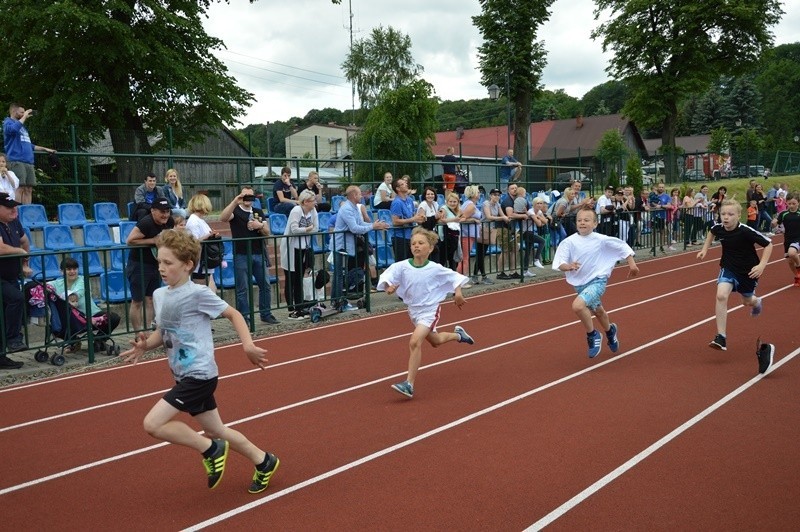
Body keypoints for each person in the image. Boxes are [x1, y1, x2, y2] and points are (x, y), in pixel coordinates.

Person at [120, 229, 280, 494]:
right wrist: (144, 346)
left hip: (200, 374)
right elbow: (164, 332)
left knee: (153, 424)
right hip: (183, 374)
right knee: (217, 430)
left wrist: (248, 346)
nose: (161, 268)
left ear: (188, 265)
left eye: (168, 263)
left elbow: (234, 314)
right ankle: (264, 461)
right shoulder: (160, 296)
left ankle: (210, 449)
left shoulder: (198, 294)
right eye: (159, 261)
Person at [377, 226, 474, 399]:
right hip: (413, 311)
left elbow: (454, 277)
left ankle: (409, 384)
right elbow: (386, 277)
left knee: (415, 342)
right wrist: (388, 287)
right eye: (413, 243)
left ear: (430, 248)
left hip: (430, 310)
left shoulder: (435, 268)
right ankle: (458, 335)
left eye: (421, 243)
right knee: (435, 341)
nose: (416, 246)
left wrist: (458, 293)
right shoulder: (402, 266)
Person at [552, 206, 640, 358]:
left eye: (587, 220)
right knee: (598, 311)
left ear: (595, 223)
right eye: (579, 220)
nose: (582, 223)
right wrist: (569, 266)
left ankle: (593, 335)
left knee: (578, 306)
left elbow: (622, 246)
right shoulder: (568, 242)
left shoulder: (601, 240)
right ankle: (610, 331)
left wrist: (632, 264)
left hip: (598, 281)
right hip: (579, 284)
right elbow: (560, 263)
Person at [697, 199, 772, 354]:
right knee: (721, 295)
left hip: (748, 271)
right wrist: (705, 249)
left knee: (746, 301)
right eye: (723, 214)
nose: (726, 217)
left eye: (730, 214)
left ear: (738, 215)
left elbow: (768, 244)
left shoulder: (745, 231)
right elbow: (711, 232)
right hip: (728, 267)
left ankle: (756, 301)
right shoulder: (719, 228)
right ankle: (721, 337)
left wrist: (761, 266)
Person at [219, 186, 278, 325]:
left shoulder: (258, 211)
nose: (247, 198)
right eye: (245, 195)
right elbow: (223, 218)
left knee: (265, 285)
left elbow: (267, 232)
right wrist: (235, 201)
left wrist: (260, 226)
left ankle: (266, 313)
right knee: (242, 288)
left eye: (250, 195)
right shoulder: (236, 210)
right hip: (241, 254)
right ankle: (244, 318)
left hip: (258, 253)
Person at [332, 185, 389, 310]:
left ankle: (337, 301)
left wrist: (374, 224)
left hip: (348, 245)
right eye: (359, 194)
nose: (362, 196)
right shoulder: (347, 209)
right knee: (339, 274)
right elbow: (354, 228)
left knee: (341, 274)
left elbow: (360, 223)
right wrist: (372, 227)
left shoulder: (354, 208)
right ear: (353, 195)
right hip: (341, 245)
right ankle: (337, 302)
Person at [126, 197, 175, 332]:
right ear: (153, 211)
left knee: (150, 299)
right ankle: (138, 333)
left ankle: (147, 332)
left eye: (167, 211)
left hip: (156, 264)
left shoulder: (169, 221)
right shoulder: (145, 223)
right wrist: (152, 240)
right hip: (139, 264)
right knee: (137, 301)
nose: (165, 215)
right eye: (162, 212)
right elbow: (130, 241)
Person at [49, 257, 121, 348]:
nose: (72, 271)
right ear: (61, 271)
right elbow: (45, 286)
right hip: (73, 320)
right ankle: (74, 342)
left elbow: (77, 293)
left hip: (92, 316)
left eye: (74, 269)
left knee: (114, 318)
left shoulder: (83, 280)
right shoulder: (56, 283)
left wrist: (64, 298)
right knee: (56, 327)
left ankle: (99, 340)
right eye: (68, 269)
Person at [0, 192, 31, 367]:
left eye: (14, 206)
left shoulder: (14, 222)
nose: (14, 210)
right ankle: (13, 339)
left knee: (7, 310)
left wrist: (25, 263)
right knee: (16, 298)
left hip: (11, 276)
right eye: (9, 207)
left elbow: (24, 241)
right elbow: (0, 248)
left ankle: (1, 356)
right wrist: (19, 252)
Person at [3, 103, 56, 205]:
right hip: (17, 160)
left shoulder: (23, 128)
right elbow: (13, 130)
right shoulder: (8, 122)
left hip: (29, 161)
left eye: (24, 112)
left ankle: (27, 212)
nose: (24, 114)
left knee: (28, 189)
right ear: (14, 111)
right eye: (22, 112)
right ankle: (17, 214)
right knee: (20, 188)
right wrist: (24, 117)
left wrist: (45, 149)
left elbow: (29, 145)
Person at [279, 189, 318, 320]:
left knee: (299, 278)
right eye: (313, 201)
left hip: (304, 248)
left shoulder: (313, 211)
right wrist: (307, 229)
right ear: (305, 201)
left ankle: (300, 306)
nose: (315, 203)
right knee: (291, 278)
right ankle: (292, 310)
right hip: (291, 248)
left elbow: (316, 228)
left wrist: (307, 230)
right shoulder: (296, 211)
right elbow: (294, 229)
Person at [185, 194, 220, 293]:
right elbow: (193, 241)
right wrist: (208, 236)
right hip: (199, 264)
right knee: (200, 293)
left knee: (206, 292)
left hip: (204, 263)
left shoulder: (200, 220)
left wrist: (213, 236)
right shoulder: (194, 221)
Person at [475, 188, 507, 284]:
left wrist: (508, 217)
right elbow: (489, 217)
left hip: (491, 230)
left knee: (482, 253)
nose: (497, 196)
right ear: (490, 195)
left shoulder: (498, 204)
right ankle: (483, 276)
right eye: (495, 194)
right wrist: (503, 218)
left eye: (498, 195)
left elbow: (503, 215)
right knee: (481, 253)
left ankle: (475, 276)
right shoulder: (486, 203)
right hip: (483, 229)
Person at [390, 175, 424, 262]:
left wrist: (420, 218)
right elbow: (395, 221)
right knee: (402, 264)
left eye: (405, 182)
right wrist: (413, 219)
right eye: (402, 184)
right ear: (397, 188)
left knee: (411, 263)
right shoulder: (397, 202)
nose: (406, 184)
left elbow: (413, 216)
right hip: (400, 237)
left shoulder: (409, 200)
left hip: (410, 236)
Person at [771, 192, 800, 287]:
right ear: (786, 203)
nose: (791, 205)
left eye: (794, 203)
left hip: (798, 238)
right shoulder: (783, 214)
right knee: (790, 261)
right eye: (789, 203)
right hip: (788, 239)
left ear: (798, 203)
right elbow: (776, 223)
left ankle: (799, 267)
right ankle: (797, 276)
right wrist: (774, 223)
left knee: (792, 253)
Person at [458, 185, 482, 282]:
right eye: (478, 192)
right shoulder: (470, 205)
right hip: (466, 234)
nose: (480, 194)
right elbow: (461, 219)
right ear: (474, 194)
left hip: (469, 234)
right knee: (465, 258)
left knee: (464, 258)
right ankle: (460, 281)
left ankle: (461, 279)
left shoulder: (470, 204)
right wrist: (473, 219)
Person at [416, 186, 441, 263]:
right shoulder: (423, 205)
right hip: (425, 233)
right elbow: (422, 221)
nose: (430, 196)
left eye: (432, 194)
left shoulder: (435, 204)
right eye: (428, 194)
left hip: (433, 233)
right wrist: (434, 217)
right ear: (425, 195)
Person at [438, 192, 462, 271]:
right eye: (450, 201)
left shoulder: (457, 210)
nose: (452, 203)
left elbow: (464, 217)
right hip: (445, 238)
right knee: (443, 260)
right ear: (447, 202)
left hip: (454, 238)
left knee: (453, 260)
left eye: (454, 202)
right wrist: (454, 220)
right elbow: (441, 220)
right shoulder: (443, 209)